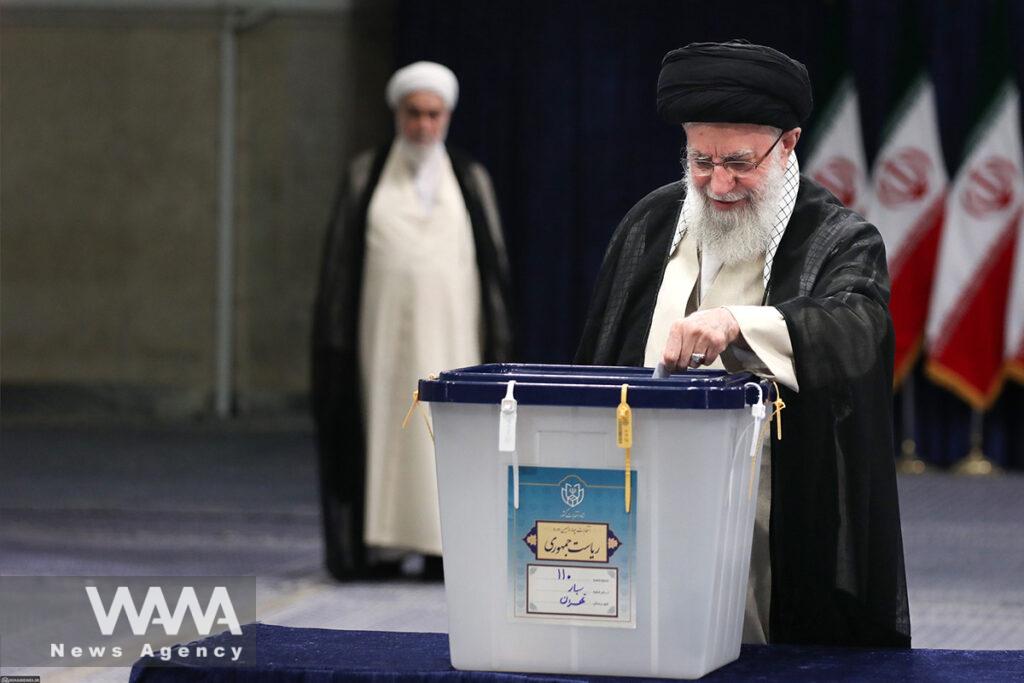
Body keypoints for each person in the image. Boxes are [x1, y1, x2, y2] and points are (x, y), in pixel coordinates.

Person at [575, 40, 910, 647]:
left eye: (739, 162)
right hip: (643, 488)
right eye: (701, 161)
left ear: (788, 145)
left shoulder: (839, 236)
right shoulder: (651, 222)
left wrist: (738, 323)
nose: (718, 182)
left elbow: (858, 327)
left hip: (771, 506)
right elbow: (601, 347)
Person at [312, 61, 513, 580]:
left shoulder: (470, 179)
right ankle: (378, 546)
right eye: (414, 114)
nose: (423, 125)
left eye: (433, 114)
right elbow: (339, 269)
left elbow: (494, 273)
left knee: (442, 433)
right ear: (398, 114)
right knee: (382, 432)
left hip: (454, 340)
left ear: (446, 116)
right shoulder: (366, 176)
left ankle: (443, 547)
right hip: (379, 344)